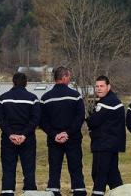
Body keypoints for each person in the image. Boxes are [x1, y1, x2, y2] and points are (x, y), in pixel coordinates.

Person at [41, 66, 86, 196]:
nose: (70, 78)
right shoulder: (76, 96)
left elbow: (42, 121)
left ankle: (53, 191)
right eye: (69, 76)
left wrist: (54, 134)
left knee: (54, 168)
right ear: (64, 77)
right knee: (76, 167)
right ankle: (79, 191)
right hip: (73, 138)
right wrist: (68, 132)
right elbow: (80, 117)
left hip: (54, 140)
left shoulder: (45, 98)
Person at [0, 72, 41, 196]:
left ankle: (7, 192)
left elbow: (0, 119)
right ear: (26, 83)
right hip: (28, 139)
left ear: (13, 82)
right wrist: (24, 135)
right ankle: (30, 192)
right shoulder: (33, 98)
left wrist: (11, 134)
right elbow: (36, 119)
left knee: (8, 168)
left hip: (8, 139)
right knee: (29, 169)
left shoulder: (2, 98)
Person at [87, 76, 125, 196]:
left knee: (98, 174)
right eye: (97, 86)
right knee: (113, 175)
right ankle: (121, 193)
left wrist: (90, 118)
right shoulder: (114, 101)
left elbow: (93, 122)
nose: (98, 89)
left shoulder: (107, 103)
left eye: (102, 86)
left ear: (109, 87)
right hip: (112, 144)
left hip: (103, 144)